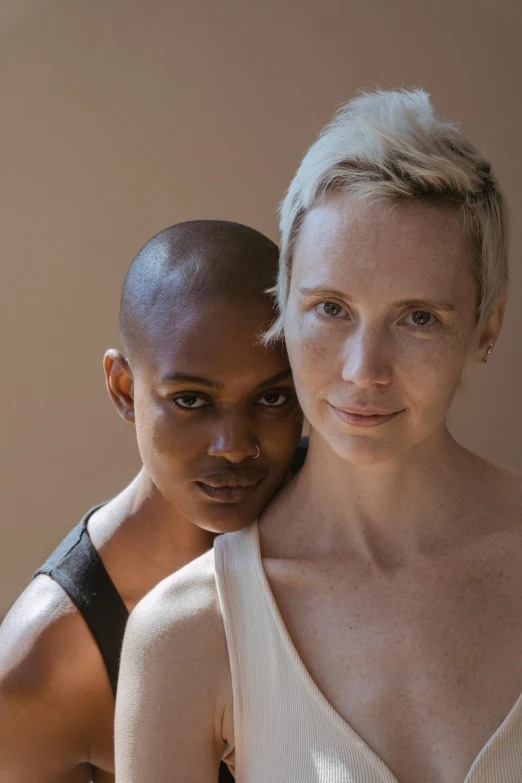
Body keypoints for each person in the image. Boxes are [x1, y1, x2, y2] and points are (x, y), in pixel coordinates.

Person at [115, 89, 521, 783]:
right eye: (330, 308)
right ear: (284, 306)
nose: (365, 372)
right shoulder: (187, 633)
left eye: (418, 317)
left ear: (487, 324)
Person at [0, 220, 304, 783]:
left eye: (272, 397)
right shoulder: (42, 669)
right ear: (124, 390)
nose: (234, 446)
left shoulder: (358, 516)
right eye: (191, 400)